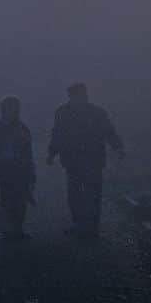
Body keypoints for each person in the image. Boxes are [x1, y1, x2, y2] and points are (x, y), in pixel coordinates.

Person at [47, 83, 125, 240]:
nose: (80, 98)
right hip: (76, 161)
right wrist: (52, 153)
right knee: (76, 195)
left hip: (89, 160)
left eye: (81, 95)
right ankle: (81, 225)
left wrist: (118, 148)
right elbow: (57, 135)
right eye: (77, 95)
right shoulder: (65, 113)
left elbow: (109, 132)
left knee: (91, 195)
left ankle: (90, 228)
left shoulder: (91, 113)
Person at [0, 95, 36, 241]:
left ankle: (17, 228)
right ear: (4, 110)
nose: (16, 112)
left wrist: (31, 170)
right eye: (13, 109)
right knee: (8, 198)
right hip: (4, 169)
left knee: (20, 199)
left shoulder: (22, 128)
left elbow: (28, 151)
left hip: (20, 168)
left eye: (17, 108)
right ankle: (9, 228)